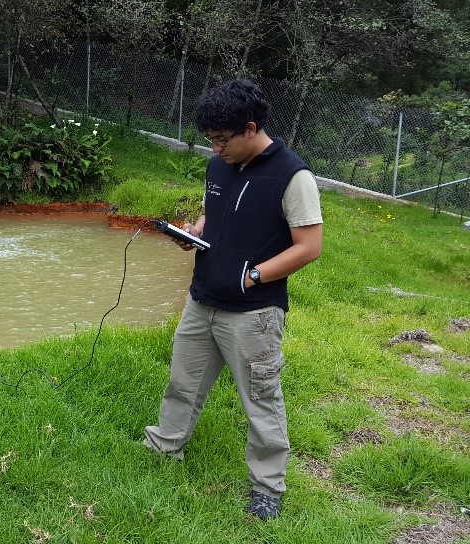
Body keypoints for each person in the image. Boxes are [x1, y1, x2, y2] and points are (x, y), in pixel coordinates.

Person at [142, 79, 323, 521]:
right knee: (183, 382)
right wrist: (195, 231)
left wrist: (254, 276)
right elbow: (214, 212)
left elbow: (309, 247)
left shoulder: (293, 177)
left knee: (261, 399)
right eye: (211, 140)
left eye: (223, 140)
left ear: (251, 128)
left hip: (253, 313)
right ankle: (165, 446)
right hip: (202, 299)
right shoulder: (218, 166)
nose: (216, 149)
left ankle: (267, 487)